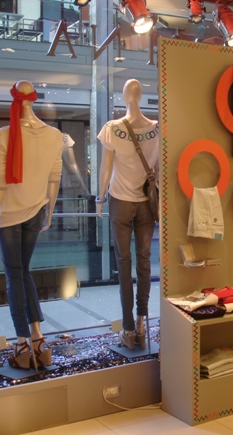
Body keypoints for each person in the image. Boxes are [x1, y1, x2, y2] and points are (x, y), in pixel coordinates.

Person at [0, 80, 64, 370]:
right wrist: (50, 211)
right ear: (34, 99)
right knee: (24, 272)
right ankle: (38, 339)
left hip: (9, 215)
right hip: (37, 211)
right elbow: (54, 178)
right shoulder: (55, 135)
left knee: (14, 275)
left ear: (14, 99)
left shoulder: (3, 134)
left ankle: (21, 344)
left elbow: (0, 183)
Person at [96, 79, 159, 350]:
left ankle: (128, 328)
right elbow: (160, 169)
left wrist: (99, 198)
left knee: (124, 263)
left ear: (124, 96)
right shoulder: (157, 129)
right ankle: (143, 323)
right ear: (141, 96)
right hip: (147, 203)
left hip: (120, 202)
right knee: (144, 262)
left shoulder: (113, 128)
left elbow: (105, 168)